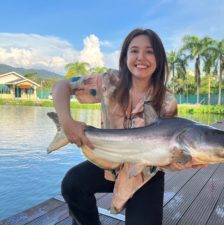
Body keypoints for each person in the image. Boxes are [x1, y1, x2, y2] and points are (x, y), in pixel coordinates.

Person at [52, 28, 206, 225]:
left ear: (159, 58)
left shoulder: (167, 101)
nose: (141, 57)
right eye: (134, 51)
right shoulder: (107, 82)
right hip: (110, 162)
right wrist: (66, 123)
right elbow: (61, 87)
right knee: (72, 184)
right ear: (125, 56)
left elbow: (168, 151)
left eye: (149, 51)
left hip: (146, 174)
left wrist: (179, 162)